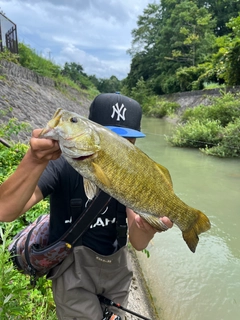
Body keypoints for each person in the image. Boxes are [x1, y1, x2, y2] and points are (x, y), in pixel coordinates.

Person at [0, 93, 173, 320]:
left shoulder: (134, 177)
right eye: (111, 139)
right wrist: (34, 160)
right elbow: (5, 209)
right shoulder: (60, 165)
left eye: (127, 142)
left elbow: (139, 243)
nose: (118, 149)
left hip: (117, 273)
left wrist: (146, 228)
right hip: (71, 273)